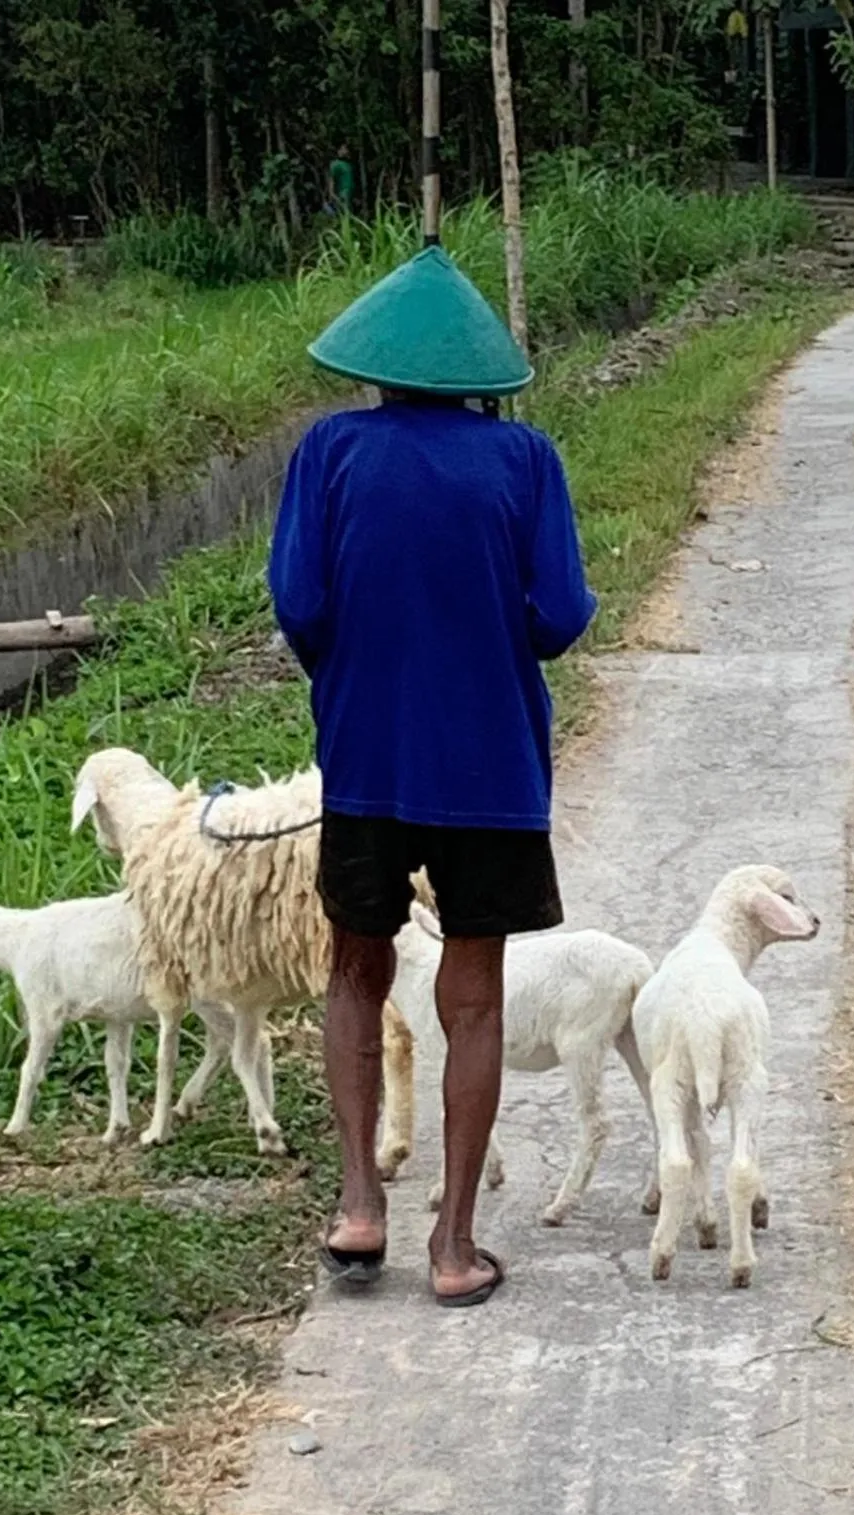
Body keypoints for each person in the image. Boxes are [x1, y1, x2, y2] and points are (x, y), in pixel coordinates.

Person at [269, 246, 596, 1307]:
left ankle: (361, 1204)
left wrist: (353, 678)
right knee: (474, 993)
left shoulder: (329, 452)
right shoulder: (525, 460)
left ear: (374, 366)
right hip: (492, 765)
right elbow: (559, 617)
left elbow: (300, 603)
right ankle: (454, 1247)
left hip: (367, 757)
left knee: (357, 969)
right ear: (477, 372)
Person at [326, 142, 354, 214]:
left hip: (350, 195)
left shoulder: (348, 164)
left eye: (345, 149)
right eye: (342, 149)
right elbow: (332, 180)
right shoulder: (336, 164)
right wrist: (332, 194)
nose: (344, 151)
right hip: (341, 195)